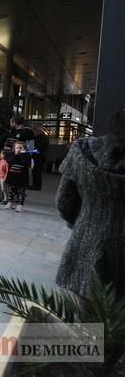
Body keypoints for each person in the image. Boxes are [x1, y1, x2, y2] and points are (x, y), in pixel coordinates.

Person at [55, 109, 125, 302]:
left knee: (88, 322)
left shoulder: (84, 152)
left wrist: (84, 221)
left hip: (89, 244)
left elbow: (64, 201)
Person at [4, 141, 32, 212]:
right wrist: (16, 155)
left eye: (20, 148)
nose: (18, 149)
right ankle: (9, 202)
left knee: (21, 192)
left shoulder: (27, 156)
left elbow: (26, 164)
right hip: (12, 177)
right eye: (17, 148)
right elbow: (9, 161)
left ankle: (20, 205)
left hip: (22, 178)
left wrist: (22, 155)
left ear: (24, 149)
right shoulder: (11, 154)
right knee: (11, 191)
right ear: (14, 149)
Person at [31, 125, 49, 190]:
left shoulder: (42, 138)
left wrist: (31, 151)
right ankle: (35, 185)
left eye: (34, 131)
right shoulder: (41, 137)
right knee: (35, 171)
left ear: (38, 131)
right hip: (38, 156)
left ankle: (37, 186)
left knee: (37, 172)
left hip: (39, 157)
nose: (34, 133)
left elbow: (39, 149)